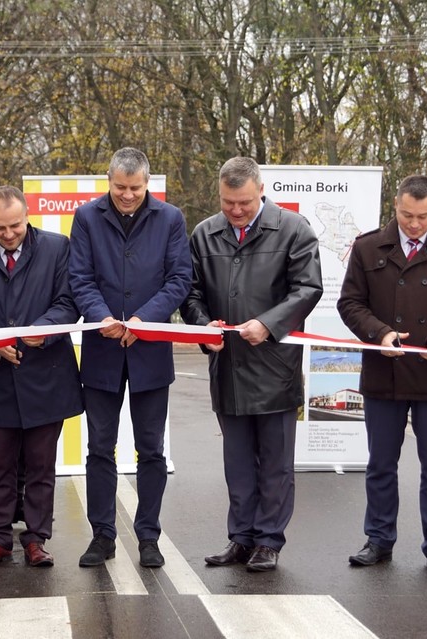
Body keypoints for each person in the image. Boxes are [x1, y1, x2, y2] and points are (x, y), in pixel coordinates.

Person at [182, 157, 323, 572]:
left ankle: (268, 540)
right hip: (227, 368)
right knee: (237, 461)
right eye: (228, 203)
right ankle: (240, 537)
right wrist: (202, 327)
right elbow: (189, 293)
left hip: (274, 365)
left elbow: (308, 288)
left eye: (243, 202)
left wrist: (268, 323)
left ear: (261, 189)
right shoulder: (204, 234)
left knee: (275, 462)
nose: (236, 211)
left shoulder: (294, 229)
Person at [337, 175, 427, 574]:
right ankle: (379, 539)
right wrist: (378, 331)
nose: (413, 225)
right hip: (385, 371)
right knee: (381, 462)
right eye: (405, 215)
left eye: (421, 216)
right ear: (395, 207)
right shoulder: (368, 248)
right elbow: (350, 303)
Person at [68, 147, 191, 568]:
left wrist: (145, 319)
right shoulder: (86, 218)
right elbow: (79, 277)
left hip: (150, 350)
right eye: (120, 187)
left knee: (151, 450)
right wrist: (100, 315)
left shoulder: (170, 218)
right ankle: (102, 536)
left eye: (135, 188)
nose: (127, 195)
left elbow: (179, 279)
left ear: (147, 183)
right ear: (108, 180)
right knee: (100, 448)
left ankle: (148, 537)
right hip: (102, 350)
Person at [0, 186, 83, 568]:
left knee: (40, 465)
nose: (8, 234)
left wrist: (43, 330)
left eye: (14, 225)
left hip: (46, 374)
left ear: (27, 215)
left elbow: (69, 302)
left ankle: (36, 539)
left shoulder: (57, 247)